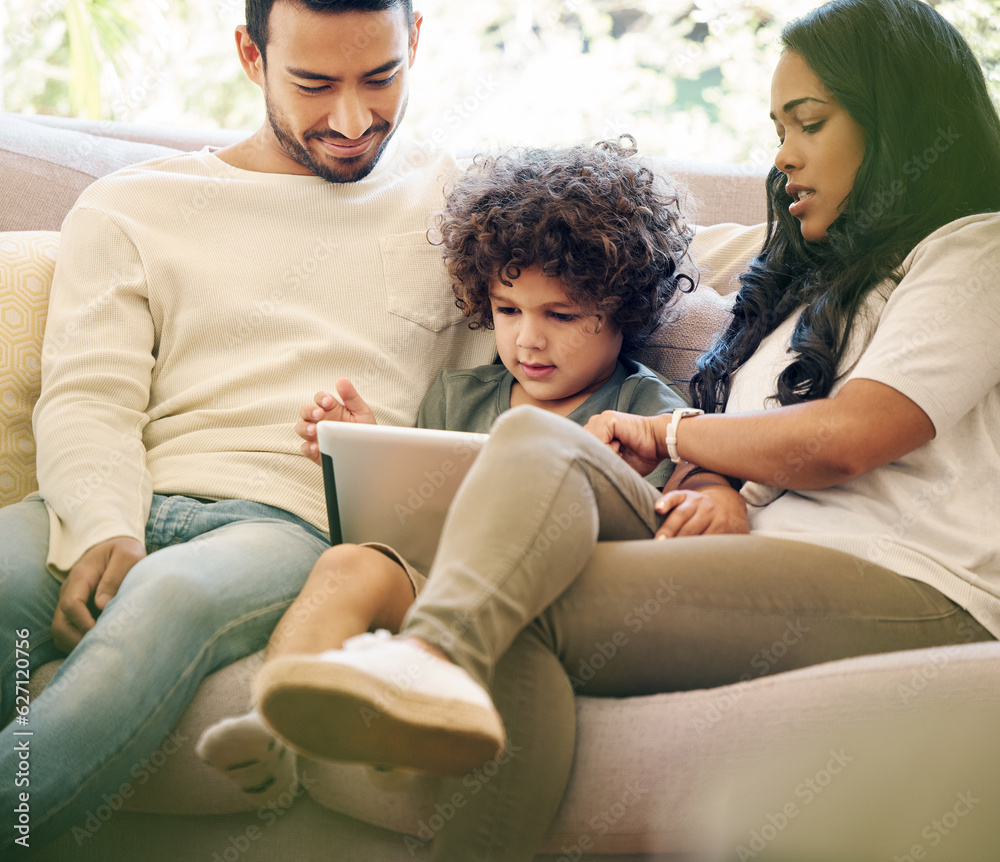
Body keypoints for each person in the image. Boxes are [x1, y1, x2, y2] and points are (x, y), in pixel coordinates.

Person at [246, 0, 1000, 857]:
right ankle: (434, 666)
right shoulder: (816, 285)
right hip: (764, 554)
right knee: (534, 467)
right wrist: (718, 489)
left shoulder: (977, 250)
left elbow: (849, 438)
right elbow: (764, 445)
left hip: (915, 586)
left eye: (810, 123)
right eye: (777, 127)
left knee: (526, 567)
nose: (783, 153)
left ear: (898, 119)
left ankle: (433, 649)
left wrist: (678, 444)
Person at [0, 0, 503, 852]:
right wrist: (104, 523)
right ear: (249, 54)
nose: (351, 120)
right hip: (120, 497)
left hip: (287, 522)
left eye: (380, 77)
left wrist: (382, 439)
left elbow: (513, 402)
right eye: (313, 83)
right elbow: (90, 394)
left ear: (415, 41)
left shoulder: (465, 210)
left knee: (170, 595)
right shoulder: (135, 205)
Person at [196, 136, 748, 788]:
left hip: (557, 607)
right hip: (438, 595)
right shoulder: (460, 394)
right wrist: (364, 446)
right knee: (348, 563)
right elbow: (408, 514)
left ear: (623, 311)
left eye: (560, 314)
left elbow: (689, 474)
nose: (527, 338)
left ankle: (409, 707)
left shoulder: (641, 406)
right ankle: (275, 724)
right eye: (508, 310)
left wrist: (709, 492)